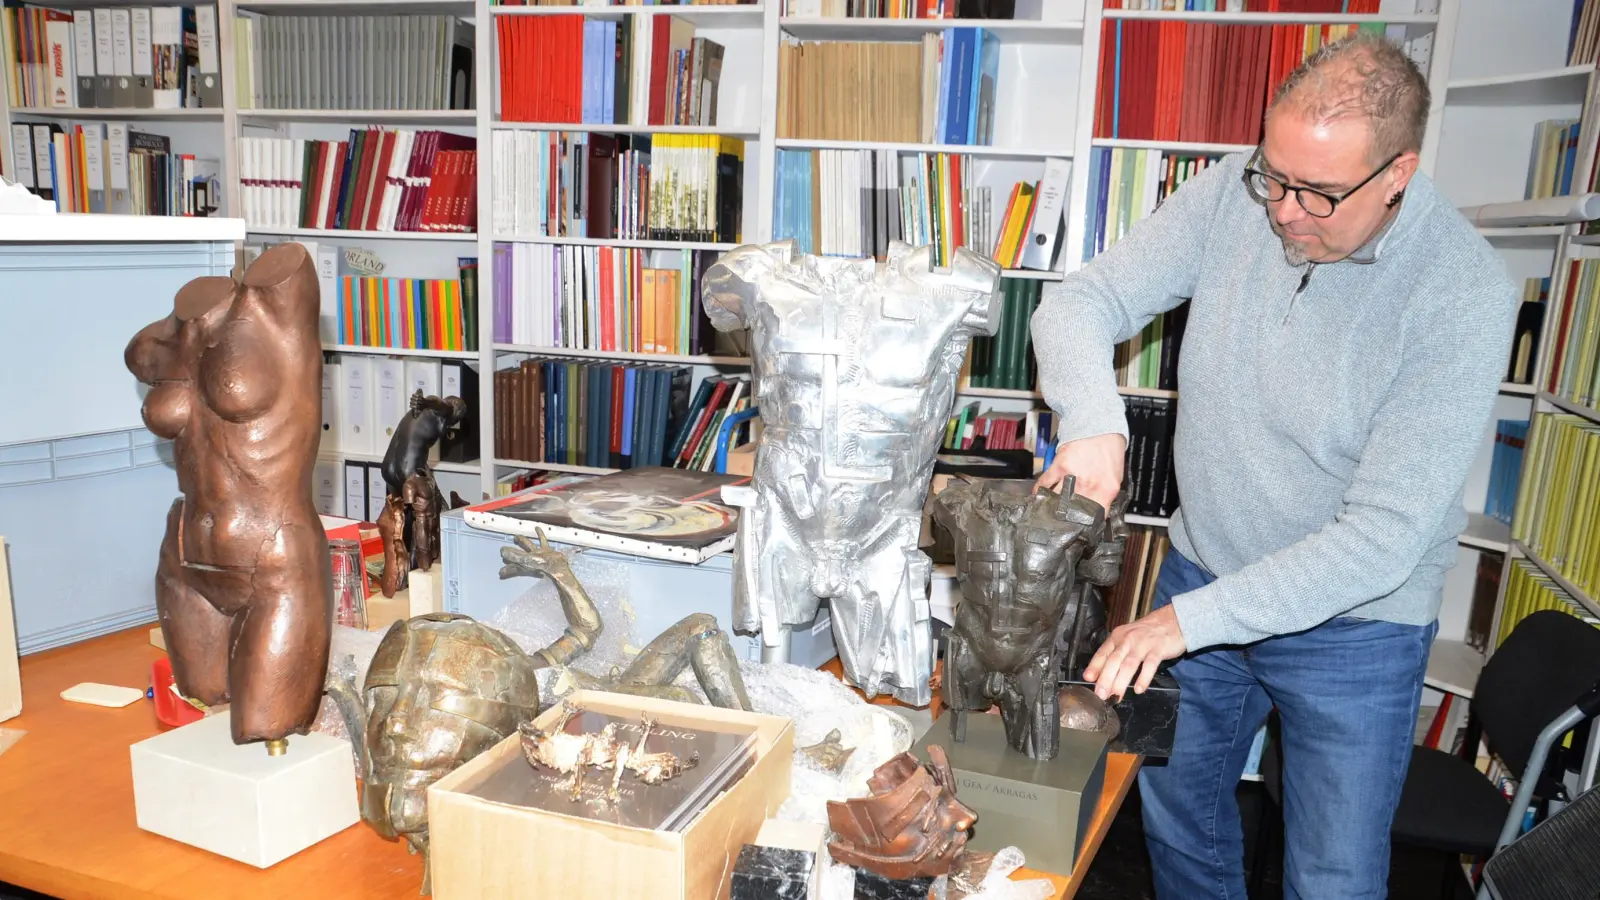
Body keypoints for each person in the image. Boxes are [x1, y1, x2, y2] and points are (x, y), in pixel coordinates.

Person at [1029, 33, 1516, 900]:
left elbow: (1381, 539)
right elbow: (1080, 303)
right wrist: (1094, 423)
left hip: (1356, 627)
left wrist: (1186, 624)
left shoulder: (1463, 294)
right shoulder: (1234, 192)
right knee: (1178, 818)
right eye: (1274, 176)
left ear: (1397, 175)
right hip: (1206, 565)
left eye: (1319, 193)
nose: (1285, 212)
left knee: (1332, 876)